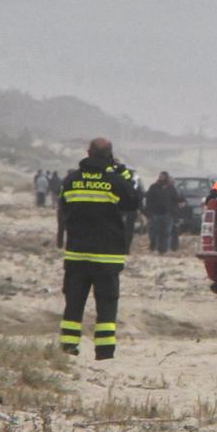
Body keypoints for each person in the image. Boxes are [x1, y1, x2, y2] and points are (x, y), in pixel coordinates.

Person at [57, 138, 137, 360]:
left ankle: (68, 348)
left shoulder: (71, 180)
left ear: (88, 153)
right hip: (106, 257)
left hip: (76, 256)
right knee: (106, 307)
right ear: (109, 155)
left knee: (73, 305)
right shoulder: (114, 180)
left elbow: (63, 209)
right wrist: (125, 176)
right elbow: (133, 202)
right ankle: (104, 353)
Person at [145, 172, 182, 254]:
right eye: (160, 176)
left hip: (168, 214)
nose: (161, 178)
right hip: (156, 213)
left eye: (163, 176)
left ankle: (164, 249)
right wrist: (149, 212)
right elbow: (149, 200)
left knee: (166, 232)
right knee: (155, 232)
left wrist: (174, 211)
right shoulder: (154, 187)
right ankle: (156, 248)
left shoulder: (171, 188)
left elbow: (175, 200)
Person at [122, 172, 144, 253]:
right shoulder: (135, 185)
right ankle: (125, 248)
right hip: (128, 210)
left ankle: (125, 248)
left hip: (128, 211)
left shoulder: (121, 184)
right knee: (127, 230)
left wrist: (139, 210)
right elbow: (140, 198)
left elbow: (140, 198)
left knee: (127, 230)